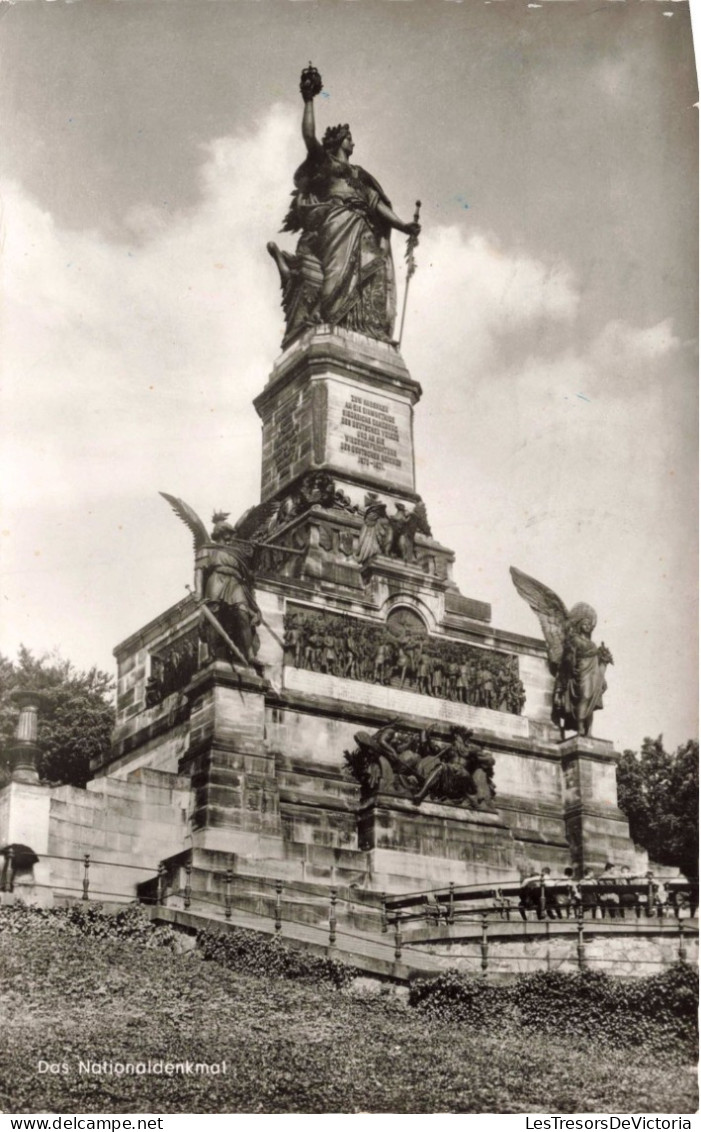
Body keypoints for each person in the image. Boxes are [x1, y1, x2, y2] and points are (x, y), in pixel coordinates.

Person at [268, 67, 421, 346]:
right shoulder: (327, 165)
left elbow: (374, 204)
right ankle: (326, 319)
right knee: (336, 276)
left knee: (369, 277)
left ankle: (365, 329)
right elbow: (309, 136)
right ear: (339, 141)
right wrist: (309, 99)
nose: (354, 142)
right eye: (350, 138)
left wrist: (402, 226)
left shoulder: (358, 174)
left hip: (361, 228)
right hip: (336, 223)